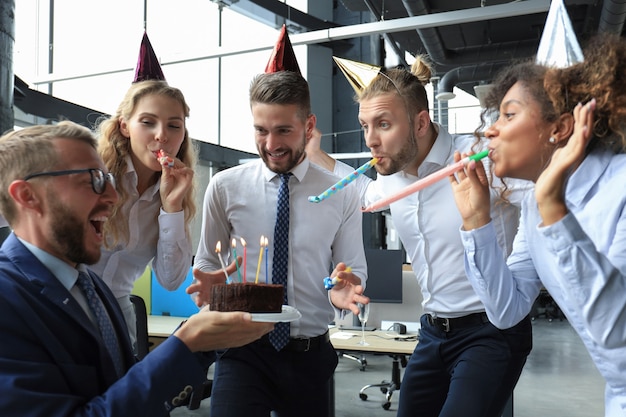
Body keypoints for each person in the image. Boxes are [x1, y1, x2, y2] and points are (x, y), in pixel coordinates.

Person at [307, 56, 532, 417]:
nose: (371, 140)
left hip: (491, 330)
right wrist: (314, 152)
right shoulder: (390, 176)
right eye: (364, 126)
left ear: (421, 122)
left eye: (383, 125)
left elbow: (541, 189)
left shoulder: (480, 158)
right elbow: (362, 192)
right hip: (432, 332)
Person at [0, 121, 273, 417]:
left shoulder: (92, 286)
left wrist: (203, 340)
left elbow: (123, 390)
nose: (113, 197)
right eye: (93, 180)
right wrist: (185, 345)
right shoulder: (7, 300)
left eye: (109, 181)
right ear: (27, 196)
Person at [449, 33, 626, 416]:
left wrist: (553, 208)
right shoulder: (533, 205)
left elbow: (620, 340)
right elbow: (506, 310)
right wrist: (477, 222)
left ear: (559, 129)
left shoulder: (620, 189)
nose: (491, 130)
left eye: (509, 115)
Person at [187, 70, 369, 417]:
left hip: (308, 355)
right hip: (242, 351)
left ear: (309, 125)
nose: (271, 144)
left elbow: (352, 267)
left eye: (284, 130)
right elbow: (209, 263)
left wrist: (344, 291)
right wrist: (213, 284)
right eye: (261, 130)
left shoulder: (340, 193)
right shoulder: (225, 187)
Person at [92, 33, 197, 349]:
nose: (162, 136)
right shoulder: (92, 175)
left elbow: (171, 280)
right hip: (60, 313)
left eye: (174, 125)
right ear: (125, 126)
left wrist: (172, 207)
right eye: (148, 122)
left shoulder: (173, 193)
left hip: (118, 324)